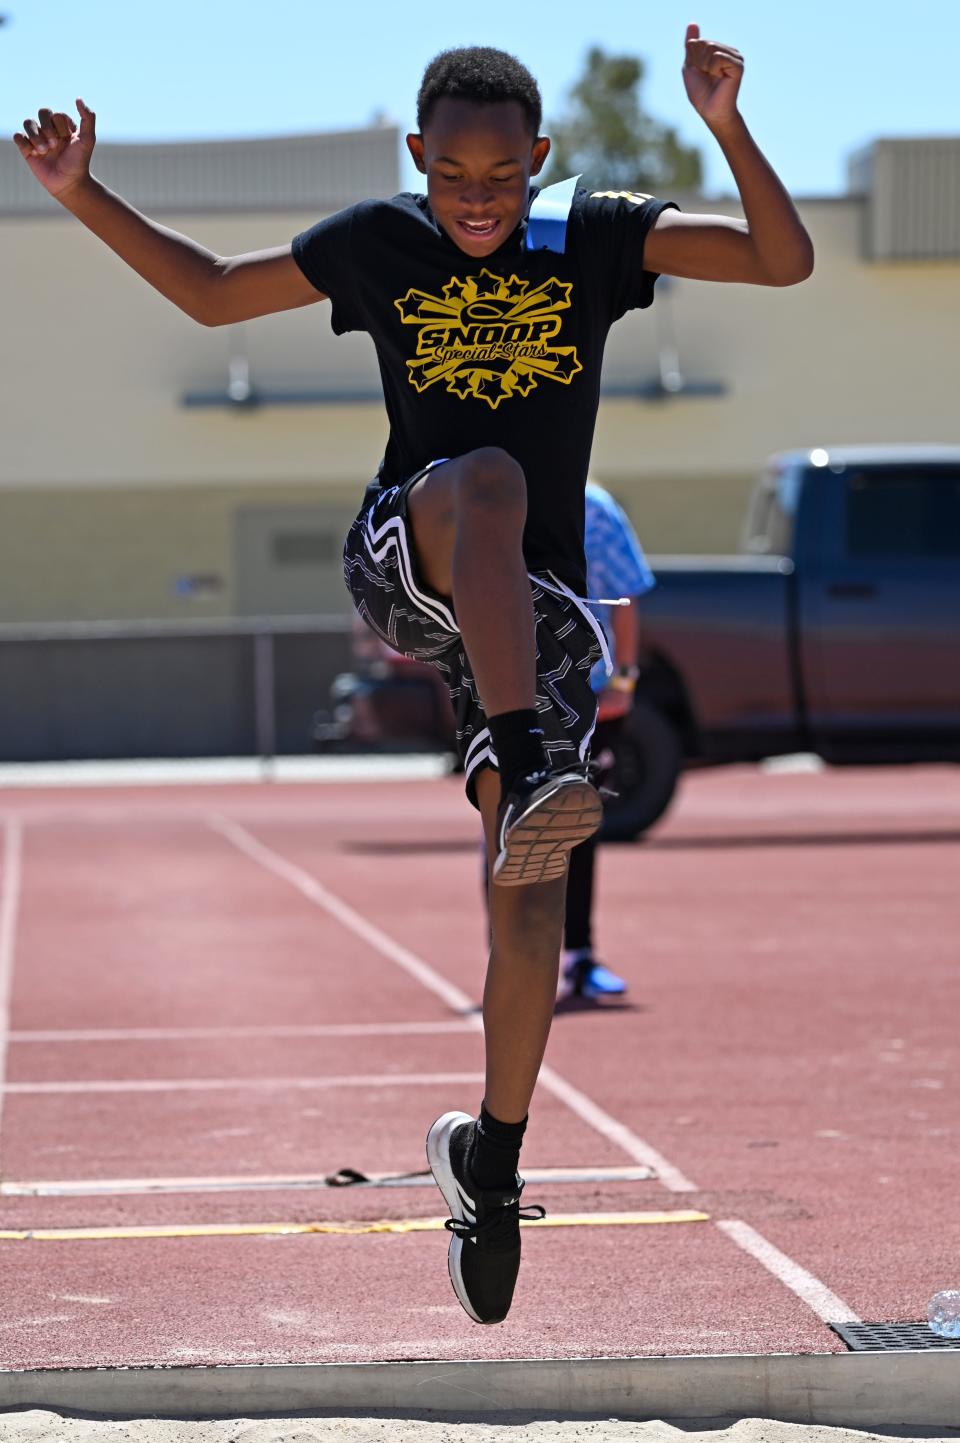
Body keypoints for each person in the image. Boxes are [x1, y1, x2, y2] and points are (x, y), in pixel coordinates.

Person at [15, 25, 813, 1326]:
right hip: (414, 546)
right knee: (485, 475)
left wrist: (724, 123)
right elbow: (216, 292)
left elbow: (783, 260)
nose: (479, 202)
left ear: (541, 160)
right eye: (454, 176)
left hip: (536, 604)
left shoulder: (593, 234)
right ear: (418, 161)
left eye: (502, 177)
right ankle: (529, 747)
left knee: (528, 892)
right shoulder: (384, 240)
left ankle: (491, 1155)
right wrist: (81, 192)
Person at [560, 481, 656, 1001]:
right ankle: (507, 949)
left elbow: (626, 593)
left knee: (580, 820)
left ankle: (579, 955)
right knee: (505, 820)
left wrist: (622, 681)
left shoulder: (593, 507)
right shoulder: (492, 495)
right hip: (511, 689)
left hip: (590, 691)